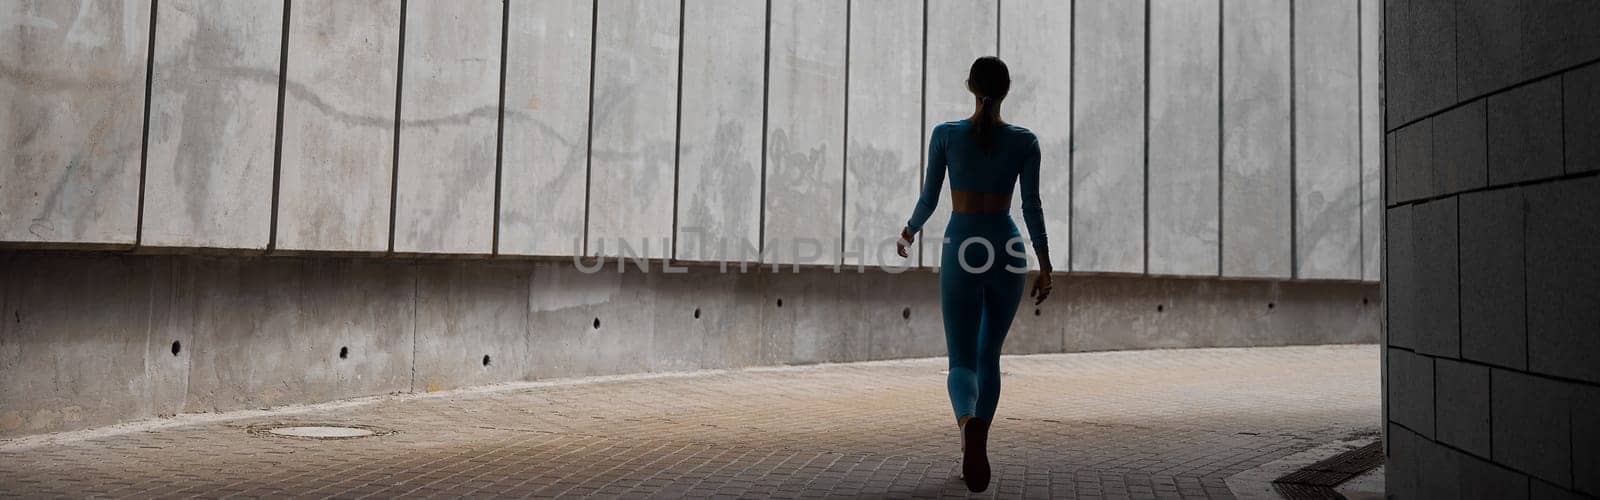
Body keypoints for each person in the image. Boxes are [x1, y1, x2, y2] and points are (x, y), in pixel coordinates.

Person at [894, 55, 1053, 493]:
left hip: (964, 244)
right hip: (1007, 247)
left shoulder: (946, 136)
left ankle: (968, 424)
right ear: (1006, 91)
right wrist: (1044, 264)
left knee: (961, 359)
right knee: (989, 357)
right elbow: (1032, 206)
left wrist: (909, 230)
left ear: (969, 85)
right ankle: (981, 428)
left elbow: (929, 197)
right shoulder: (1025, 142)